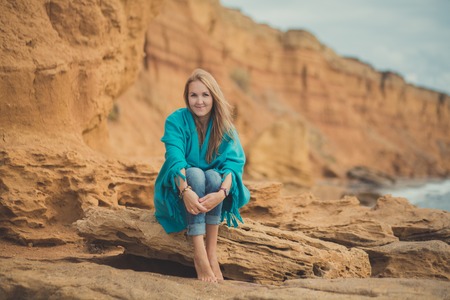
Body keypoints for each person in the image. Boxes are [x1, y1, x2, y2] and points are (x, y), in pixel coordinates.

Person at [154, 68, 250, 283]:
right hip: (178, 192)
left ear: (213, 97)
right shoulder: (175, 120)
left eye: (205, 95)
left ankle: (211, 253)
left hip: (212, 195)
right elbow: (175, 160)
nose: (199, 101)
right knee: (195, 173)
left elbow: (233, 166)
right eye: (193, 95)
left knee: (215, 178)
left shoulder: (224, 127)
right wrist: (186, 191)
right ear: (187, 98)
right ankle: (199, 255)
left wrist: (222, 194)